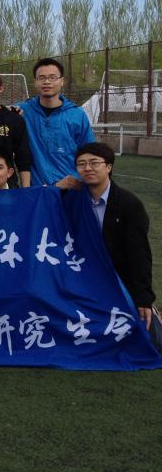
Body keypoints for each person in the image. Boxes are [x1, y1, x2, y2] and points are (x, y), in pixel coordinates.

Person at [71, 142, 156, 332]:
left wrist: (143, 298)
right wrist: (55, 188)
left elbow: (139, 254)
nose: (87, 168)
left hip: (119, 281)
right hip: (83, 281)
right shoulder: (73, 201)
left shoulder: (129, 205)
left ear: (108, 167)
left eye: (94, 163)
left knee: (144, 335)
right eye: (81, 164)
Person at [22, 58, 95, 186]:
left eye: (52, 77)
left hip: (70, 188)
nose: (47, 81)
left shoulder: (77, 115)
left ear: (62, 81)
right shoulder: (23, 111)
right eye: (41, 78)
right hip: (38, 190)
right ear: (35, 82)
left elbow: (90, 153)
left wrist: (76, 180)